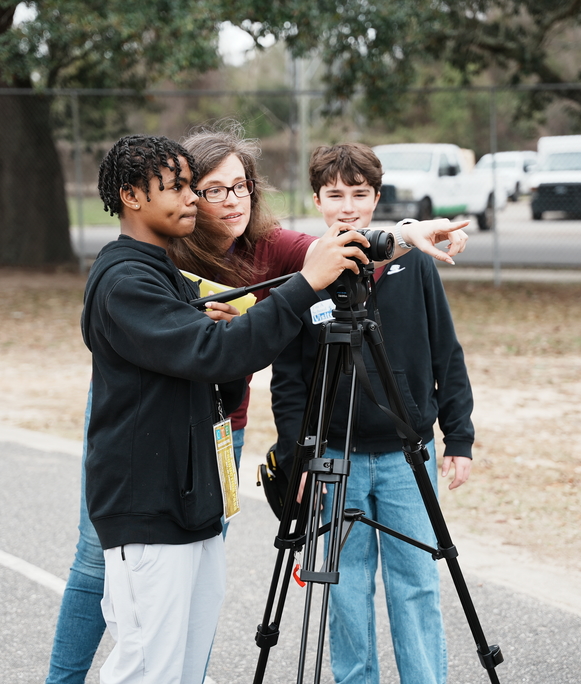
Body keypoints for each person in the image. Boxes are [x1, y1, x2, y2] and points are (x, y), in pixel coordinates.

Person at [45, 122, 470, 684]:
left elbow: (341, 244)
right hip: (146, 441)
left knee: (193, 587)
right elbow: (211, 347)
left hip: (216, 423)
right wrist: (225, 320)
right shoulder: (152, 259)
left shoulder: (267, 247)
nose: (226, 199)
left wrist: (410, 231)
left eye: (240, 185)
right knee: (104, 566)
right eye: (209, 188)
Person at [80, 134, 368, 684]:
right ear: (131, 196)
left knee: (187, 669)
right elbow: (214, 353)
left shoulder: (163, 272)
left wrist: (226, 343)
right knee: (148, 669)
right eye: (178, 187)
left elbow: (218, 373)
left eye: (195, 186)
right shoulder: (125, 280)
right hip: (148, 508)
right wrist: (306, 285)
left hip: (193, 504)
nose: (194, 199)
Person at [270, 142, 475, 684]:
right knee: (344, 586)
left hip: (409, 455)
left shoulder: (414, 267)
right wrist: (298, 459)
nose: (347, 206)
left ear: (376, 198)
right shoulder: (308, 273)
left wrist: (458, 438)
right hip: (336, 456)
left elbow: (445, 353)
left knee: (416, 583)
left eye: (359, 195)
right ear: (316, 199)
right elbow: (289, 381)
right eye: (334, 194)